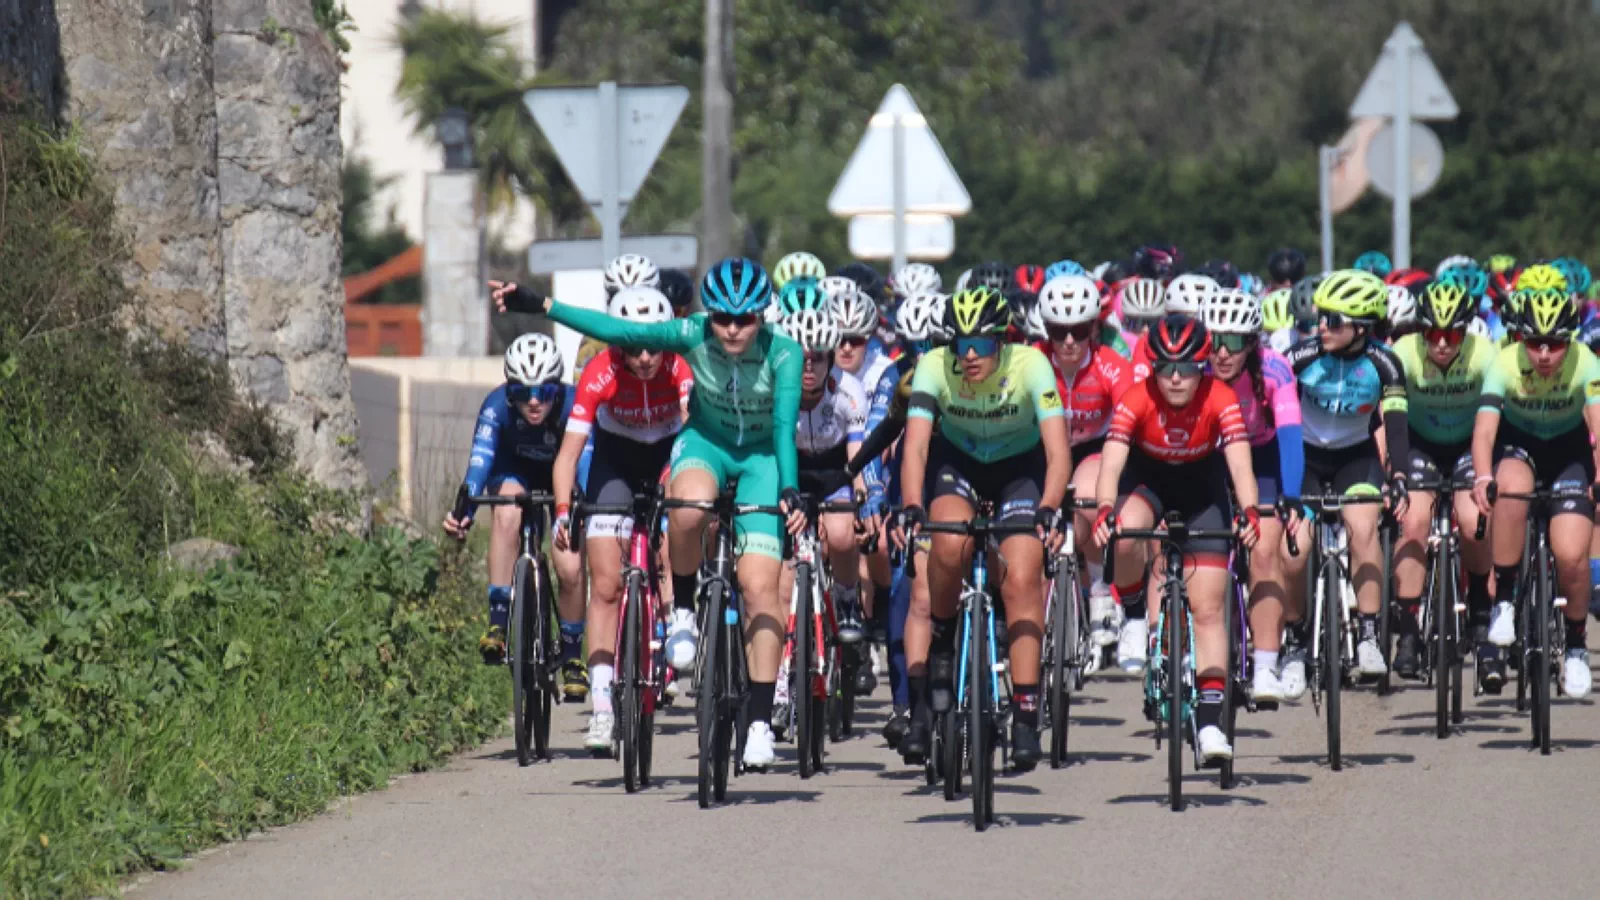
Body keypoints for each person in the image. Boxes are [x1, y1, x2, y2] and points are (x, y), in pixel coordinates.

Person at [491, 257, 807, 769]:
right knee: (689, 506)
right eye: (722, 317)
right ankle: (681, 611)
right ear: (710, 315)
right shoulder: (691, 333)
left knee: (759, 587)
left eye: (744, 320)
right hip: (706, 443)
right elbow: (613, 328)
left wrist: (789, 488)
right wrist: (538, 303)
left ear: (761, 318)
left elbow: (785, 426)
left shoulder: (785, 354)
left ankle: (757, 723)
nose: (730, 329)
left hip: (763, 460)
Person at [895, 285, 1071, 771]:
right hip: (961, 463)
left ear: (1004, 341)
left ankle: (1026, 715)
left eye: (983, 344)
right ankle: (946, 643)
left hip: (1021, 468)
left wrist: (1050, 506)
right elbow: (915, 448)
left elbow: (1059, 451)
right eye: (961, 344)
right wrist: (912, 504)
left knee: (1021, 574)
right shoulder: (934, 365)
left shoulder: (1032, 365)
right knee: (948, 540)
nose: (970, 355)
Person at [1093, 314, 1261, 762]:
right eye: (1166, 366)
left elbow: (1241, 464)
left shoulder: (1221, 397)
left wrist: (1248, 511)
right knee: (1126, 533)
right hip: (1147, 482)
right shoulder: (1136, 397)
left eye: (1187, 367)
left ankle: (1209, 724)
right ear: (1153, 366)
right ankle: (1131, 615)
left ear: (1202, 366)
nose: (1175, 378)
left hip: (1203, 491)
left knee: (1207, 607)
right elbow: (1111, 463)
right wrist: (1105, 509)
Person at [550, 287, 693, 751]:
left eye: (655, 345)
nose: (647, 357)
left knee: (678, 525)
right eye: (635, 347)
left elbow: (694, 434)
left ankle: (676, 619)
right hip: (616, 459)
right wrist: (564, 510)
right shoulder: (600, 370)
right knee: (606, 583)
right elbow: (569, 455)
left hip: (671, 451)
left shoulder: (679, 366)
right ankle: (603, 706)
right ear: (619, 344)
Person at [1470, 287, 1600, 699]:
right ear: (1520, 340)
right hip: (1519, 446)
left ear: (1570, 341)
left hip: (1568, 452)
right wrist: (1480, 476)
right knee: (1509, 490)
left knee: (1571, 555)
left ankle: (1577, 646)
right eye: (1535, 343)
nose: (1544, 354)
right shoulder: (1504, 363)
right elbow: (1485, 430)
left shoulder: (1587, 363)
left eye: (1555, 344)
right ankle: (1504, 600)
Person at [1282, 269, 1413, 678]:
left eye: (1333, 320)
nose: (1322, 326)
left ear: (1361, 326)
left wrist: (1400, 477)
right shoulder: (1300, 358)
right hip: (1304, 459)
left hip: (1356, 457)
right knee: (1296, 547)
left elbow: (1395, 427)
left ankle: (1370, 635)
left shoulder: (1385, 363)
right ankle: (1296, 639)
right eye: (1321, 316)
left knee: (1363, 527)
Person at [442, 334, 588, 699]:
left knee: (569, 567)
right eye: (523, 393)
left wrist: (576, 508)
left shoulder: (574, 405)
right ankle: (498, 622)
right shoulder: (495, 406)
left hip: (563, 477)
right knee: (506, 512)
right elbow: (479, 464)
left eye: (545, 392)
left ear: (558, 387)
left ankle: (572, 655)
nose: (535, 402)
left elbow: (584, 466)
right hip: (514, 473)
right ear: (510, 392)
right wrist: (465, 512)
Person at [1200, 288, 1310, 702]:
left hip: (1263, 458)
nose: (1221, 353)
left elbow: (1291, 439)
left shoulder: (1274, 370)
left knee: (1266, 548)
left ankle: (1266, 665)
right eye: (1214, 341)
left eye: (1232, 342)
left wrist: (1292, 496)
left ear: (1251, 344)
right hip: (1210, 459)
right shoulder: (1195, 369)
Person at [1387, 281, 1498, 686]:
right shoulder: (1402, 355)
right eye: (1433, 333)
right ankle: (1410, 631)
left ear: (1466, 332)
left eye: (1452, 334)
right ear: (1420, 331)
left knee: (1473, 523)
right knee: (1414, 521)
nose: (1443, 344)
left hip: (1470, 446)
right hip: (1420, 447)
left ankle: (1481, 614)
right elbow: (1389, 418)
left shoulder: (1486, 356)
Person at [772, 307, 872, 727]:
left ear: (831, 357)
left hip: (834, 471)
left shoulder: (849, 391)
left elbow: (857, 457)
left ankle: (847, 598)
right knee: (781, 578)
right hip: (791, 472)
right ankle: (779, 684)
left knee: (842, 532)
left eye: (817, 356)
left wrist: (865, 497)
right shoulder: (777, 388)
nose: (808, 365)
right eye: (800, 356)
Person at [1035, 274, 1135, 655]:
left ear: (1094, 327)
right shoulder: (1036, 361)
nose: (1070, 341)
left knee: (1088, 497)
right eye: (1060, 332)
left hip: (1095, 445)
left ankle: (1097, 591)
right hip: (1045, 446)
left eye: (1079, 329)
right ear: (1047, 331)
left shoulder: (1112, 365)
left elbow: (1129, 419)